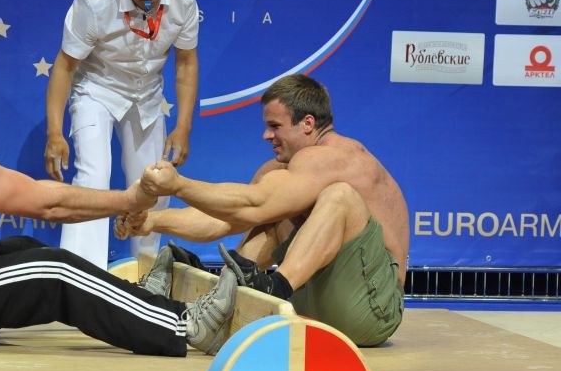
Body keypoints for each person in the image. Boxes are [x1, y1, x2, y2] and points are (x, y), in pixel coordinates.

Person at [0, 64, 235, 357]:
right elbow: (50, 203)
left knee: (21, 250)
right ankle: (184, 325)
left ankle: (141, 303)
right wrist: (130, 199)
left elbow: (42, 196)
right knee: (54, 269)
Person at [119, 74, 409, 347]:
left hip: (374, 311)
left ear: (307, 123)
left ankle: (274, 287)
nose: (265, 136)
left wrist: (179, 185)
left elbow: (254, 205)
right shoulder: (291, 169)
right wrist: (152, 221)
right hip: (320, 299)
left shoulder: (342, 158)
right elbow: (230, 217)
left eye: (275, 126)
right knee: (275, 209)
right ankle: (222, 301)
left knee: (339, 196)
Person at [44, 0, 199, 268]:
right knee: (93, 179)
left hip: (147, 96)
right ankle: (82, 280)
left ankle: (145, 274)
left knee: (154, 184)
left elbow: (186, 62)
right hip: (96, 90)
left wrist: (183, 126)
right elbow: (65, 66)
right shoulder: (94, 2)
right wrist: (54, 133)